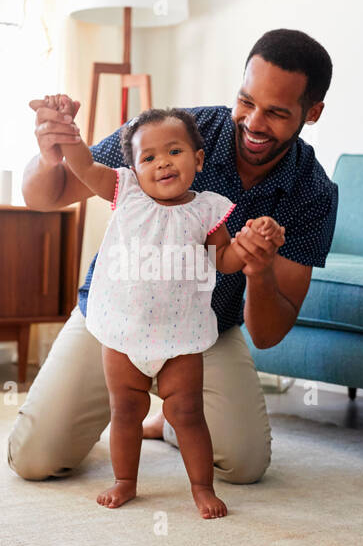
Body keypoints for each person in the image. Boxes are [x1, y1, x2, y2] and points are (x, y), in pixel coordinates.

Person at [8, 28, 339, 488]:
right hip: (115, 321)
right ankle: (127, 411)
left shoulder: (313, 193)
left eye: (277, 113)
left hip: (200, 332)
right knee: (34, 459)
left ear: (313, 112)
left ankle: (168, 422)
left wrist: (258, 271)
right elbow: (47, 196)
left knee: (244, 465)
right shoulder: (173, 132)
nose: (254, 122)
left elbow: (266, 334)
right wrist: (49, 156)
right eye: (246, 101)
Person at [44, 98, 285, 517]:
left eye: (174, 152)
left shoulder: (208, 209)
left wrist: (250, 247)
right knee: (126, 412)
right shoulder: (127, 192)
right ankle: (125, 481)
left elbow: (223, 259)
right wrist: (68, 133)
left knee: (188, 413)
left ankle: (200, 487)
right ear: (134, 168)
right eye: (149, 157)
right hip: (122, 332)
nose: (163, 164)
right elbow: (83, 167)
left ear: (198, 157)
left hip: (181, 338)